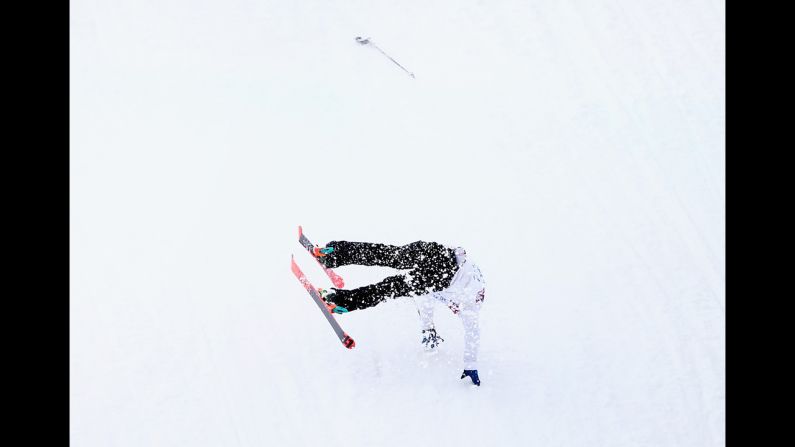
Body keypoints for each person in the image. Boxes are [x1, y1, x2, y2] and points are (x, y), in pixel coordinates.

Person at [313, 239, 486, 386]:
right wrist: (470, 364)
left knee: (388, 255)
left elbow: (427, 296)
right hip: (443, 273)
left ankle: (334, 253)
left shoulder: (468, 287)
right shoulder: (470, 307)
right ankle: (338, 301)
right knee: (388, 288)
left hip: (439, 252)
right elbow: (473, 332)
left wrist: (429, 328)